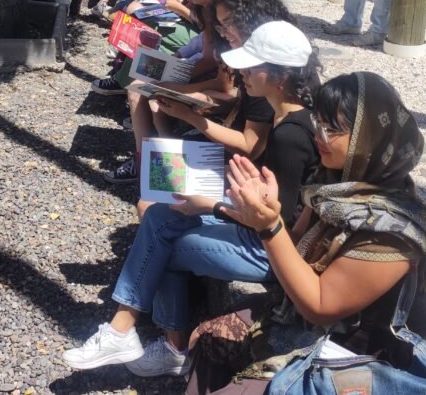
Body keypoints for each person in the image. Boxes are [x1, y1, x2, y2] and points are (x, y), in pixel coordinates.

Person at [62, 21, 321, 378]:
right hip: (254, 230)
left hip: (269, 252)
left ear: (278, 77)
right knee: (157, 218)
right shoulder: (284, 115)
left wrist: (210, 205)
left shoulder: (291, 134)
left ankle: (164, 345)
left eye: (251, 66)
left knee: (163, 242)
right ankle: (127, 332)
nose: (241, 73)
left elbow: (277, 224)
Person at [183, 72, 426, 393]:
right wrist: (264, 213)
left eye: (333, 129)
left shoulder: (393, 230)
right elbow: (295, 248)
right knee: (207, 337)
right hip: (317, 322)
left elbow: (320, 305)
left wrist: (269, 226)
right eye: (318, 121)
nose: (319, 135)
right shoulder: (333, 187)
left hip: (365, 353)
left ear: (371, 139)